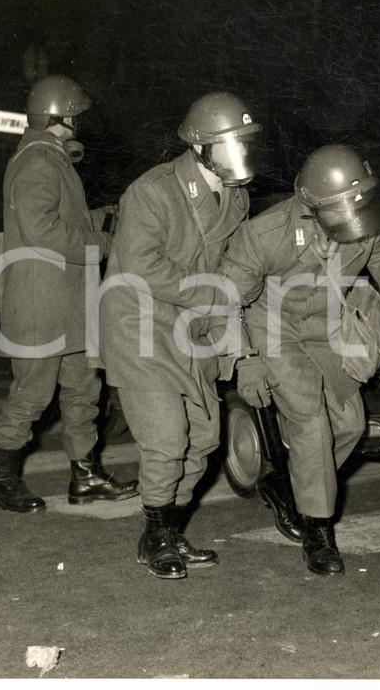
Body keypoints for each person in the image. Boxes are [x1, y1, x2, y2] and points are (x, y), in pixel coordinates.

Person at [216, 144, 380, 576]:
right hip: (275, 331)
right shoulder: (266, 234)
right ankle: (319, 532)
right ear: (311, 207)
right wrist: (244, 357)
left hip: (326, 331)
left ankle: (289, 485)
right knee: (309, 421)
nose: (353, 223)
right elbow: (224, 299)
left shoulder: (360, 215)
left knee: (351, 424)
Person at [98, 92, 263, 579]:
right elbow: (144, 267)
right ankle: (155, 536)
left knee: (205, 438)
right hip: (141, 324)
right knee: (167, 438)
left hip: (193, 329)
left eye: (245, 145)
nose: (242, 157)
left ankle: (167, 528)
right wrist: (217, 295)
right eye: (229, 146)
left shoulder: (237, 196)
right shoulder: (153, 191)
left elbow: (237, 265)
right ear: (198, 147)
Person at [0, 74, 138, 513]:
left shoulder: (51, 158)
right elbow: (43, 230)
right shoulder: (37, 160)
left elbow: (57, 217)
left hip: (66, 302)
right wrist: (103, 243)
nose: (80, 122)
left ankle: (85, 477)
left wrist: (101, 216)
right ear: (62, 116)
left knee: (82, 391)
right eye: (77, 115)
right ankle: (2, 479)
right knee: (32, 394)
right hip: (40, 304)